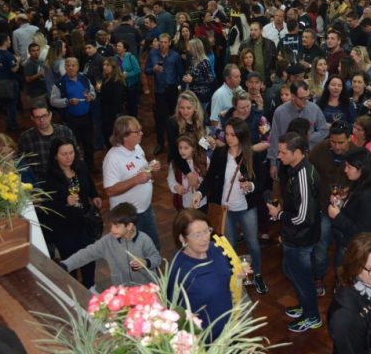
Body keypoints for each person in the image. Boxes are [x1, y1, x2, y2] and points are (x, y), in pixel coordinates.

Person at [193, 117, 268, 294]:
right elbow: (210, 178)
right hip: (225, 208)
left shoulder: (251, 155)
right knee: (229, 244)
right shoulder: (220, 154)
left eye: (233, 135)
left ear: (242, 136)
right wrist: (199, 193)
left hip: (246, 207)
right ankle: (236, 274)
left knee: (252, 243)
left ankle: (257, 274)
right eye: (226, 134)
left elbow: (263, 181)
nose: (228, 138)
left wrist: (251, 186)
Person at [267, 132, 322, 333]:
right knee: (291, 270)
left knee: (302, 279)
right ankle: (305, 306)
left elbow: (304, 217)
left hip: (301, 238)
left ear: (297, 152)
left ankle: (312, 316)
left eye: (283, 152)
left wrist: (279, 215)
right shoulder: (296, 169)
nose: (279, 156)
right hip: (295, 235)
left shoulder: (303, 176)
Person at [167, 209, 239, 340]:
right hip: (207, 338)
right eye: (197, 235)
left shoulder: (215, 249)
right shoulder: (179, 269)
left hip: (230, 326)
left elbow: (222, 274)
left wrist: (235, 274)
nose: (204, 238)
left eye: (206, 231)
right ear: (182, 238)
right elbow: (174, 309)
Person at [42, 138, 101, 287]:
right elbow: (47, 205)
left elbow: (89, 182)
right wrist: (65, 202)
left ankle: (90, 285)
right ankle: (74, 287)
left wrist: (94, 195)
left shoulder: (80, 166)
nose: (69, 157)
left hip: (84, 220)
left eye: (71, 153)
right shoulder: (50, 177)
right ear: (55, 156)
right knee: (70, 258)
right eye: (64, 154)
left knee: (89, 254)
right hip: (64, 226)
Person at [60, 202, 161, 288]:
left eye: (116, 226)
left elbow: (156, 258)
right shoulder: (108, 241)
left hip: (146, 290)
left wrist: (146, 262)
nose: (112, 229)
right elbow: (87, 253)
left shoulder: (144, 240)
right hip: (122, 291)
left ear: (129, 226)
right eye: (111, 225)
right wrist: (66, 264)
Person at [102, 116, 162, 250]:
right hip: (128, 218)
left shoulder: (137, 147)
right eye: (137, 131)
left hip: (146, 209)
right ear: (125, 136)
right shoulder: (112, 159)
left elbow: (140, 169)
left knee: (154, 247)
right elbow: (110, 190)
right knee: (134, 253)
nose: (142, 133)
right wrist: (136, 180)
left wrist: (151, 166)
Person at [310, 121, 355, 296]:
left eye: (341, 142)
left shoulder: (357, 153)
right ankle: (318, 277)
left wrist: (350, 190)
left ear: (349, 138)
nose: (336, 146)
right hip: (324, 207)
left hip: (347, 211)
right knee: (321, 245)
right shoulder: (320, 150)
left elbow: (365, 178)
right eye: (333, 142)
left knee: (343, 247)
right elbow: (309, 171)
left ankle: (339, 279)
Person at [328, 148, 371, 269]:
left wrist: (337, 216)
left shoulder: (368, 196)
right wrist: (343, 201)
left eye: (349, 167)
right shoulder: (361, 183)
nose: (345, 170)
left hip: (354, 250)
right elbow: (356, 212)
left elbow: (363, 232)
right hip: (348, 244)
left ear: (361, 169)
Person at [267, 81, 329, 181]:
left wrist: (307, 138)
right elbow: (274, 138)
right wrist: (273, 163)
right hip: (286, 161)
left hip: (309, 158)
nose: (306, 101)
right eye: (302, 98)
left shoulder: (314, 108)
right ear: (293, 96)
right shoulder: (280, 112)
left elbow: (324, 130)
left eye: (308, 97)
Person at [50, 57, 96, 173]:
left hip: (87, 117)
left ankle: (90, 167)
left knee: (89, 143)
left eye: (73, 65)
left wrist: (90, 96)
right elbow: (53, 101)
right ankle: (77, 168)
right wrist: (67, 102)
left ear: (78, 67)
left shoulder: (84, 79)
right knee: (74, 144)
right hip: (71, 119)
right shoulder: (60, 83)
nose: (70, 68)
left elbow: (92, 92)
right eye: (68, 65)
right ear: (65, 67)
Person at [145, 33, 183, 155]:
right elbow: (146, 70)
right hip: (159, 89)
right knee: (160, 117)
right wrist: (153, 69)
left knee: (174, 116)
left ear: (170, 43)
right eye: (161, 42)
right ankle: (160, 143)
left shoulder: (175, 56)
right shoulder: (152, 54)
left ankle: (175, 142)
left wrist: (179, 87)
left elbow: (180, 73)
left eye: (165, 42)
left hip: (172, 89)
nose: (162, 44)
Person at [17, 107, 77, 185]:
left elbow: (77, 154)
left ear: (50, 115)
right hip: (41, 183)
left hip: (66, 179)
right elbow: (22, 164)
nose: (41, 120)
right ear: (32, 118)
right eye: (37, 117)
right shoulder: (26, 138)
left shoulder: (65, 131)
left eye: (44, 116)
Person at [167, 135, 208, 211]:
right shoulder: (174, 163)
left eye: (186, 148)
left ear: (193, 148)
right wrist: (176, 187)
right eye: (180, 148)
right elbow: (170, 179)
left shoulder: (204, 160)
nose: (182, 151)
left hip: (202, 202)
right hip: (185, 202)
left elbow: (210, 178)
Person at [0, 34, 21, 131]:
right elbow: (14, 70)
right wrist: (18, 61)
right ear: (4, 42)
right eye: (9, 40)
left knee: (7, 105)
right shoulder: (8, 55)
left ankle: (9, 123)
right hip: (9, 82)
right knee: (12, 104)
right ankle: (13, 125)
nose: (10, 41)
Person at [98, 57, 126, 147]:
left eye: (107, 65)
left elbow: (117, 101)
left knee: (114, 137)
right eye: (104, 65)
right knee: (107, 135)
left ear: (113, 67)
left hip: (112, 115)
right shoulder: (104, 79)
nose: (104, 67)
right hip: (105, 112)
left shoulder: (116, 82)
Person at [182, 37, 216, 110]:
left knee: (199, 115)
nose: (188, 49)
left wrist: (193, 80)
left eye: (190, 47)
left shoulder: (204, 62)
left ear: (195, 48)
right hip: (194, 95)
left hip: (202, 96)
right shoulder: (193, 59)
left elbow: (210, 80)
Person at [115, 40, 141, 118]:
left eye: (119, 46)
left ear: (125, 49)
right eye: (117, 46)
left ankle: (133, 118)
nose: (117, 48)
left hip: (131, 85)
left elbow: (137, 70)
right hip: (120, 85)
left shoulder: (131, 57)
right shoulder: (115, 58)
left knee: (132, 104)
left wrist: (127, 75)